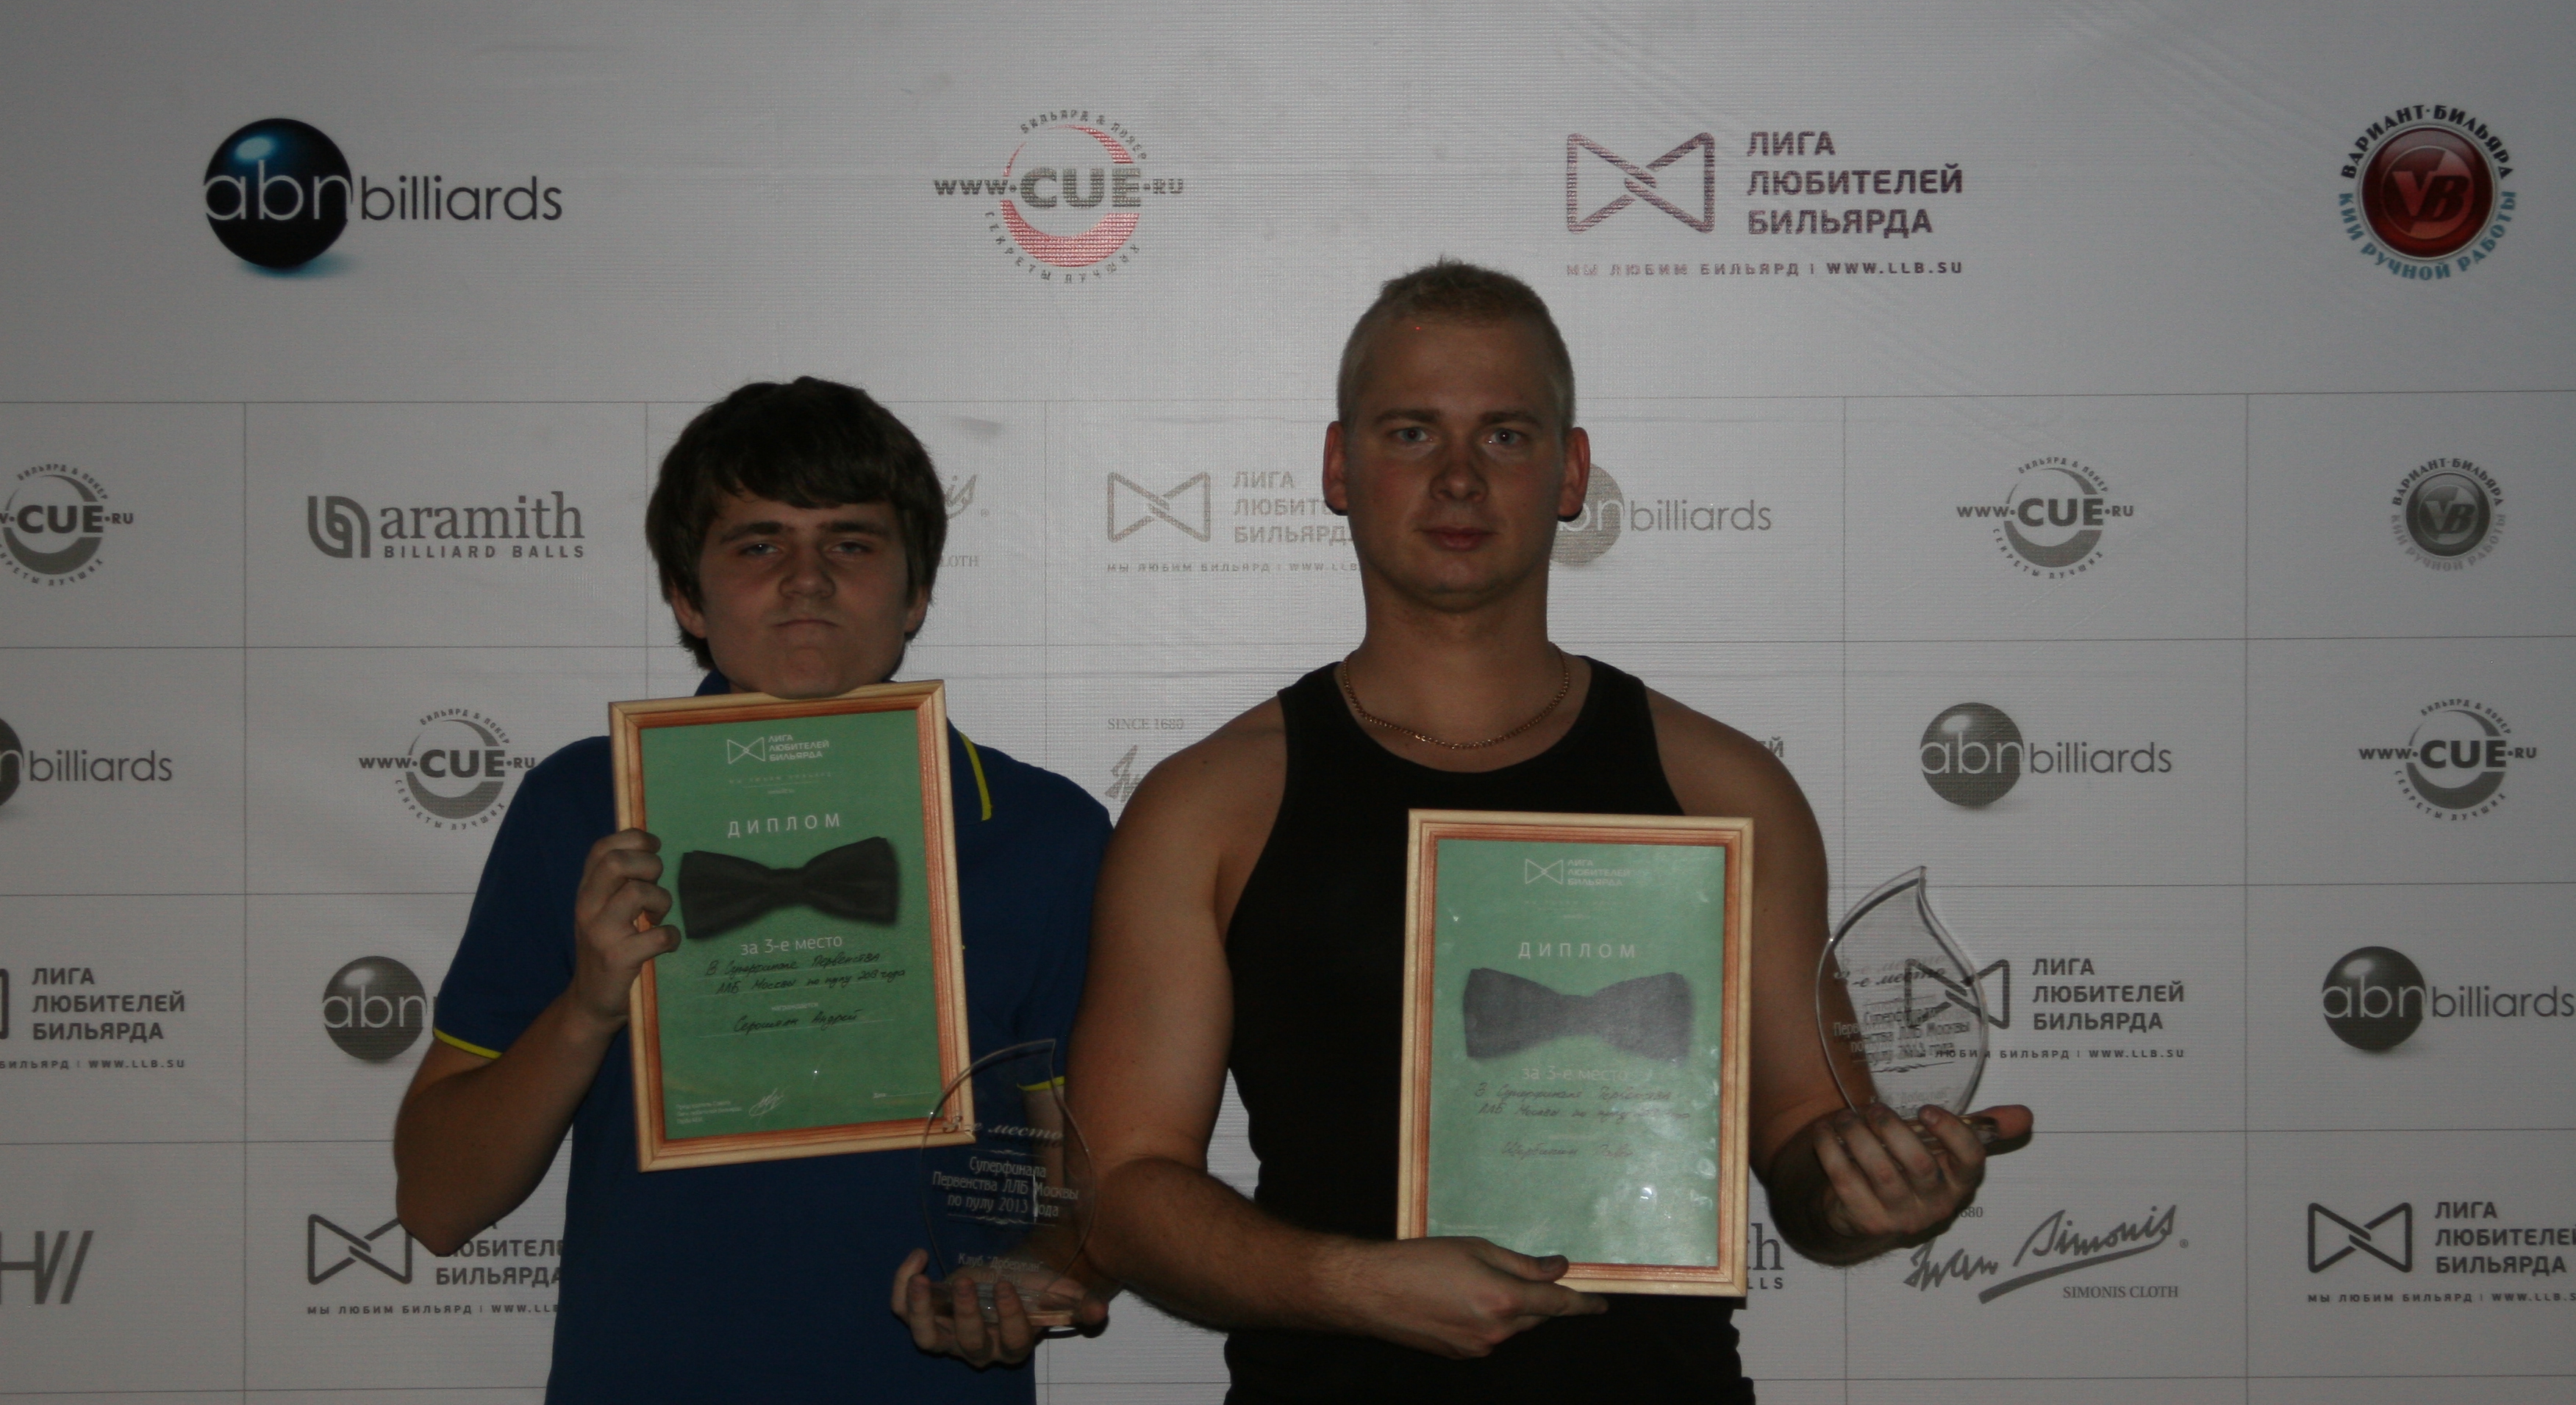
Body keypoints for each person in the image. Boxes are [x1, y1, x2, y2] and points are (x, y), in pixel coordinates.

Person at [1072, 261, 2033, 1401]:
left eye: (1507, 435)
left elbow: (1804, 1148)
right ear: (1339, 466)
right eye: (1412, 433)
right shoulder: (1211, 807)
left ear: (1572, 473)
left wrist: (1870, 1185)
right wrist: (1355, 1285)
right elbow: (1122, 1191)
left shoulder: (1725, 790)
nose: (1460, 477)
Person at [395, 377, 1112, 1401]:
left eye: (851, 543)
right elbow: (436, 1204)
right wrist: (588, 1007)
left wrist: (1030, 1279)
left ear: (916, 592)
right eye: (758, 544)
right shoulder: (583, 806)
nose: (806, 580)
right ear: (688, 598)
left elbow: (1097, 1186)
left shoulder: (1046, 833)